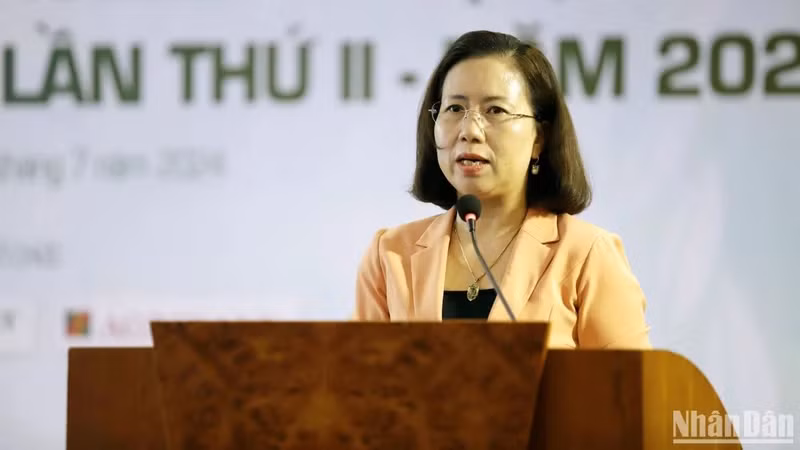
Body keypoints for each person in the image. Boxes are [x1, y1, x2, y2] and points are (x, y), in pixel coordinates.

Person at [352, 30, 651, 349]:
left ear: (539, 137)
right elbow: (359, 388)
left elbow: (631, 393)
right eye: (454, 109)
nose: (469, 131)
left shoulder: (586, 255)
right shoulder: (391, 255)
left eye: (495, 111)